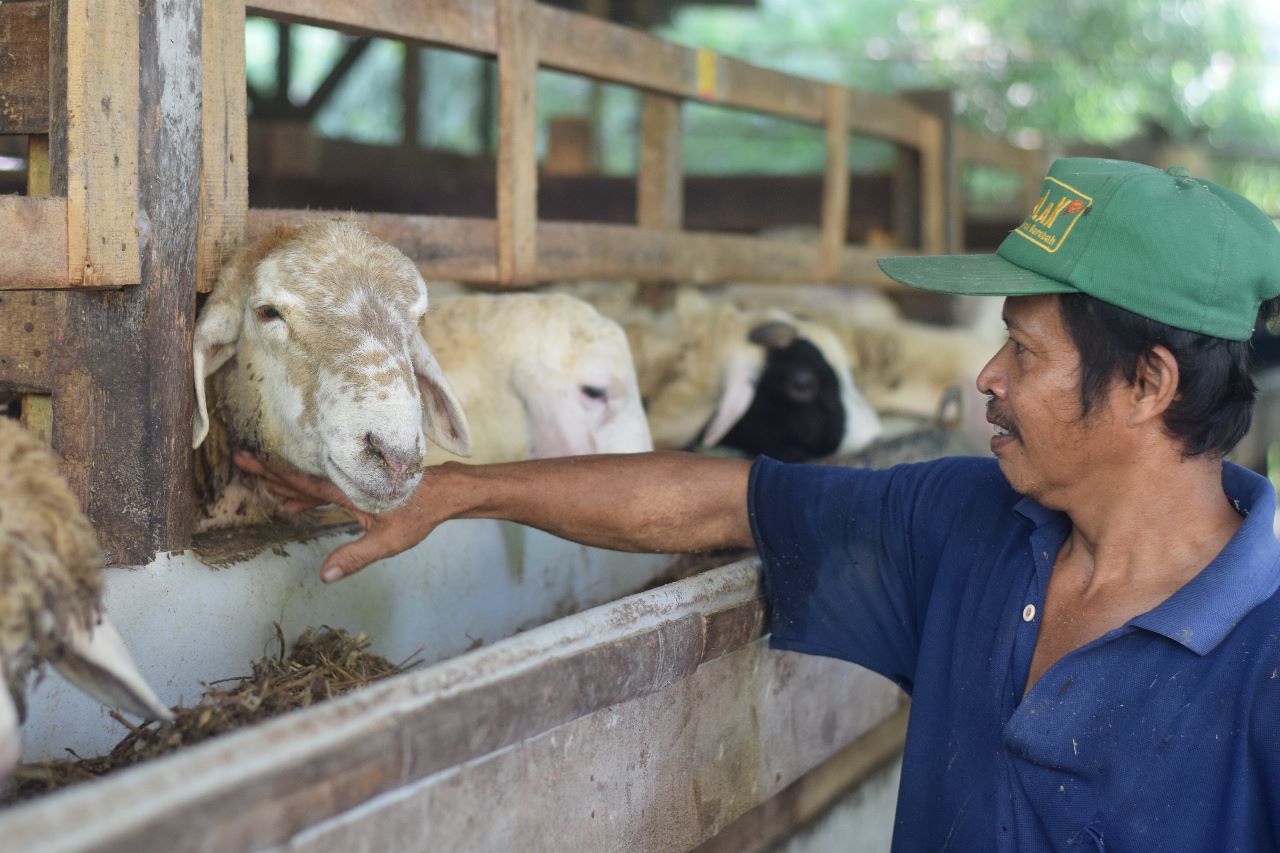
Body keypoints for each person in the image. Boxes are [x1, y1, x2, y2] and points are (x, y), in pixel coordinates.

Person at [236, 158, 1280, 851]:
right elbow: (712, 501)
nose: (986, 378)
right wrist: (451, 490)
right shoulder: (967, 524)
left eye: (1025, 350)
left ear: (1145, 385)